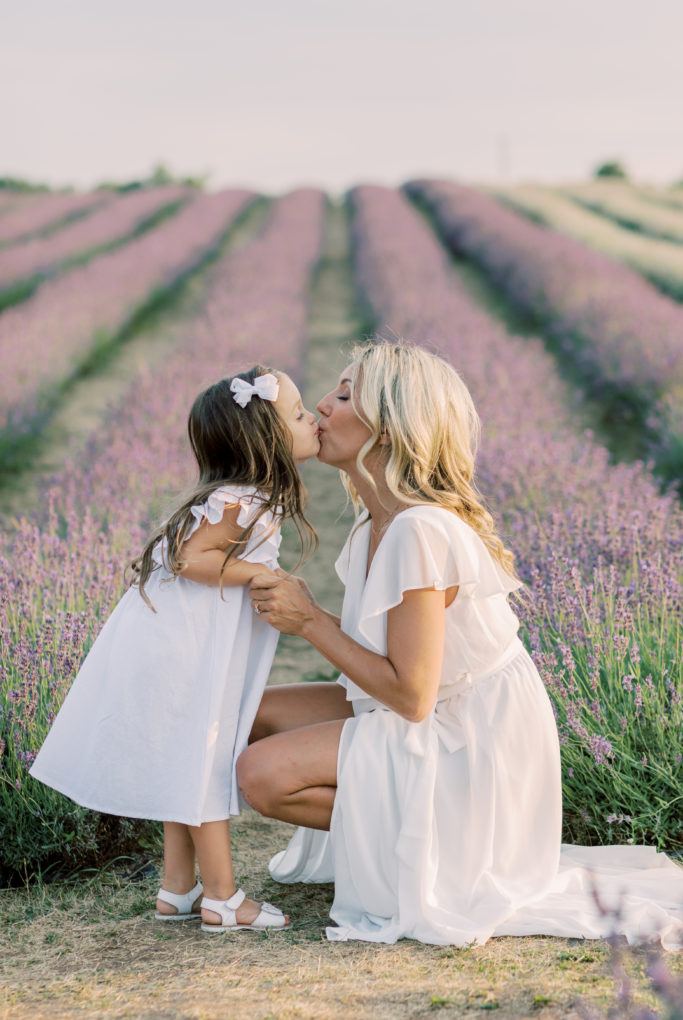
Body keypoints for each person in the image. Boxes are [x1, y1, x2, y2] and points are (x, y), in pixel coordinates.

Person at [238, 340, 683, 948]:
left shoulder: (419, 529)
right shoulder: (379, 521)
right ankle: (404, 827)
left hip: (468, 738)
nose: (320, 405)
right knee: (253, 715)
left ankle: (439, 843)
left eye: (345, 396)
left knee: (261, 776)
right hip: (437, 709)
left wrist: (310, 621)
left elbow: (412, 696)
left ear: (390, 430)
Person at [30, 366, 319, 933]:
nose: (311, 419)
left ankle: (176, 889)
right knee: (203, 766)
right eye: (298, 413)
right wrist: (261, 572)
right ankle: (224, 898)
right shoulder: (244, 500)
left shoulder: (242, 496)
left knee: (181, 764)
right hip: (186, 653)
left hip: (173, 644)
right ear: (266, 440)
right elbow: (192, 560)